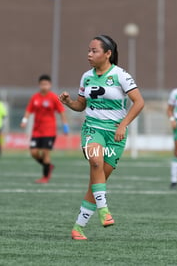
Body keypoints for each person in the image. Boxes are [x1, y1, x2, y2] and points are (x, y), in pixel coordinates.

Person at [59, 35, 144, 240]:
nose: (89, 54)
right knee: (96, 162)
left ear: (108, 54)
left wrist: (123, 125)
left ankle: (78, 228)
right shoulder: (86, 76)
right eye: (88, 50)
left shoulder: (121, 75)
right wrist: (69, 102)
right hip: (92, 129)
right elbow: (81, 106)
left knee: (96, 182)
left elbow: (139, 102)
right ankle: (104, 211)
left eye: (94, 51)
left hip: (115, 134)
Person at [20, 74, 69, 183]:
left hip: (49, 131)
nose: (44, 86)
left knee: (46, 153)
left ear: (50, 85)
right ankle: (48, 166)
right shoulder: (35, 97)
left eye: (46, 84)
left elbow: (61, 111)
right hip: (37, 131)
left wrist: (65, 125)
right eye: (42, 84)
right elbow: (29, 110)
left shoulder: (53, 97)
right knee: (33, 152)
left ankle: (45, 177)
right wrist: (24, 120)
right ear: (39, 85)